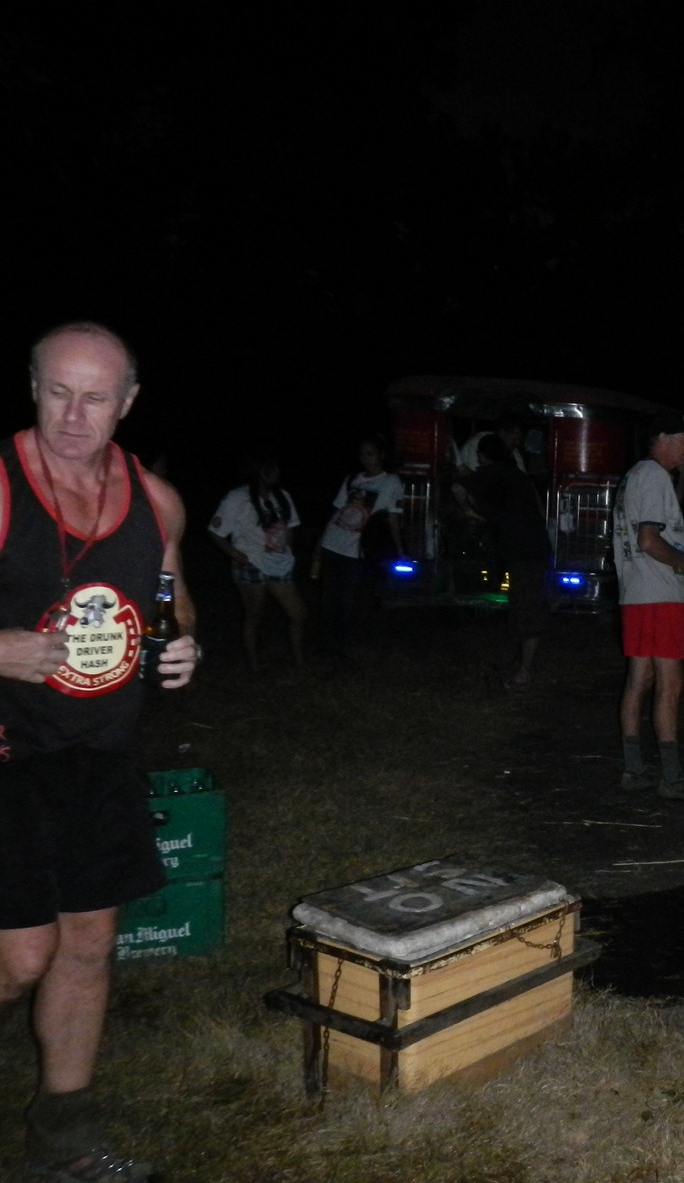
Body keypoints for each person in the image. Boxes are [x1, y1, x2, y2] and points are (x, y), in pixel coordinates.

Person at [0, 321, 200, 1182]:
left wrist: (183, 642)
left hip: (102, 755)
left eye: (95, 397)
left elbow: (171, 600)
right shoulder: (1, 487)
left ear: (128, 401)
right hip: (9, 755)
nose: (74, 416)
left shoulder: (157, 501)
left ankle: (65, 1138)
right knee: (20, 959)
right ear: (32, 387)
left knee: (87, 945)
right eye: (58, 393)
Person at [614, 410, 684, 804]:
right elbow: (649, 540)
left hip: (636, 592)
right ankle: (672, 777)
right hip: (659, 593)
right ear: (662, 438)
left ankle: (633, 768)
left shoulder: (636, 475)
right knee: (670, 682)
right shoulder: (655, 476)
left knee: (638, 678)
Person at [457, 434, 550, 691]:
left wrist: (466, 507)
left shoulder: (494, 473)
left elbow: (459, 487)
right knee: (523, 607)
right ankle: (522, 665)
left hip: (525, 554)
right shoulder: (516, 476)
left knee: (527, 610)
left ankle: (524, 672)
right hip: (533, 550)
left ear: (483, 456)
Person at [207, 452, 307, 670]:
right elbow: (215, 532)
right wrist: (235, 554)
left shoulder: (282, 495)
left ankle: (299, 660)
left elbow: (291, 525)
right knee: (255, 615)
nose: (277, 472)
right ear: (259, 470)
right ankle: (254, 663)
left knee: (298, 613)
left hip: (279, 563)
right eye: (272, 467)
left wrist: (287, 549)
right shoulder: (237, 497)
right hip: (251, 563)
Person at [314, 436, 405, 660]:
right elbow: (337, 511)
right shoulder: (352, 479)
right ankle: (325, 646)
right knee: (328, 598)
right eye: (363, 454)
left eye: (370, 454)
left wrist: (400, 549)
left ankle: (339, 648)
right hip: (333, 543)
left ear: (381, 455)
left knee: (345, 599)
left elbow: (393, 518)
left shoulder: (390, 481)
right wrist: (319, 543)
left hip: (355, 549)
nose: (366, 459)